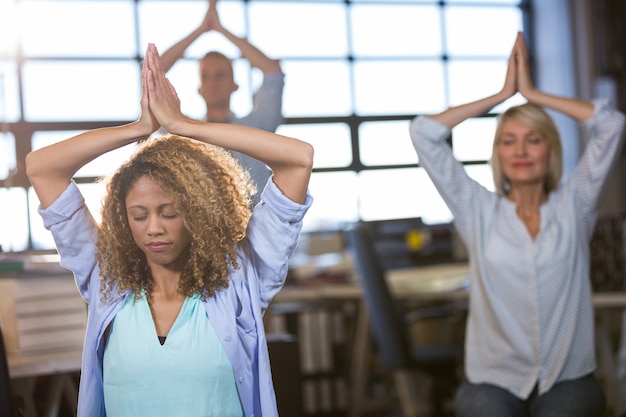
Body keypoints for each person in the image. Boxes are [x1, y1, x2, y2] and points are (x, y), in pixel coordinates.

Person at [25, 43, 313, 417]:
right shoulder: (107, 280)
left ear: (196, 212)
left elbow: (298, 160)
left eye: (169, 213)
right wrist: (140, 128)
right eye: (139, 215)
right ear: (122, 218)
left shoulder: (240, 282)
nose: (154, 229)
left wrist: (182, 126)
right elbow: (41, 167)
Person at [409, 32, 625, 417]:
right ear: (498, 155)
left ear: (550, 150)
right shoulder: (476, 208)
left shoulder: (575, 204)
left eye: (533, 139)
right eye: (508, 141)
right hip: (493, 379)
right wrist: (502, 94)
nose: (521, 150)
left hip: (567, 376)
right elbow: (423, 132)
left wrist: (533, 94)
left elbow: (611, 125)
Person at [160, 0, 284, 205]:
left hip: (254, 231)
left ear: (235, 85)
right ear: (199, 88)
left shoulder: (257, 128)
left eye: (220, 75)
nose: (213, 82)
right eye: (206, 76)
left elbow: (273, 73)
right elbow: (151, 74)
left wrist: (220, 29)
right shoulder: (182, 133)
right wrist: (201, 29)